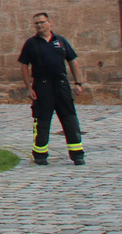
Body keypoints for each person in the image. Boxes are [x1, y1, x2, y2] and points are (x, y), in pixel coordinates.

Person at [19, 11, 87, 165]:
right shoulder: (31, 43)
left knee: (70, 119)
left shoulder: (61, 41)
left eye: (42, 22)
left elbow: (73, 61)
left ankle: (77, 154)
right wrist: (29, 87)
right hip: (42, 86)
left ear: (50, 23)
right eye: (36, 23)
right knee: (42, 120)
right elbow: (24, 65)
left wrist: (78, 83)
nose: (39, 25)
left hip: (61, 85)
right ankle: (40, 155)